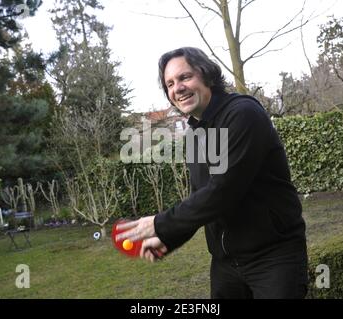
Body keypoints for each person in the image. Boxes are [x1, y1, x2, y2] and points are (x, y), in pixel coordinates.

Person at [116, 47, 308, 299]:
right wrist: (170, 238)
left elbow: (224, 190)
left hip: (274, 258)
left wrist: (158, 224)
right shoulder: (194, 134)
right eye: (170, 84)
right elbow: (202, 198)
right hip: (225, 264)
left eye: (185, 77)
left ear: (207, 76)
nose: (178, 88)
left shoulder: (243, 114)